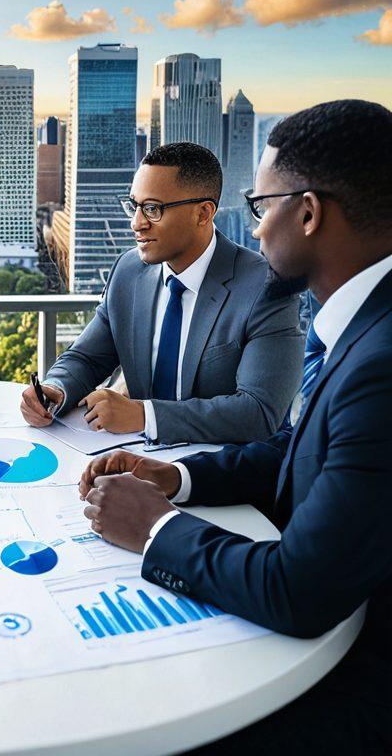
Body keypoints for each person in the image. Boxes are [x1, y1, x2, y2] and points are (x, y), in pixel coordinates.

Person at [78, 100, 392, 753]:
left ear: (307, 213)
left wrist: (154, 527)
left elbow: (299, 591)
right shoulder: (360, 329)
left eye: (261, 207)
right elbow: (297, 451)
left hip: (350, 687)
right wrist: (177, 475)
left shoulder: (379, 365)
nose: (252, 231)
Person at [21, 142, 302, 445]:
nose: (136, 223)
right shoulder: (128, 272)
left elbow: (258, 413)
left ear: (203, 213)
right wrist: (55, 389)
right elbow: (87, 357)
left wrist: (144, 415)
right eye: (134, 206)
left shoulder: (265, 288)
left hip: (220, 477)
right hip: (131, 462)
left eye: (153, 209)